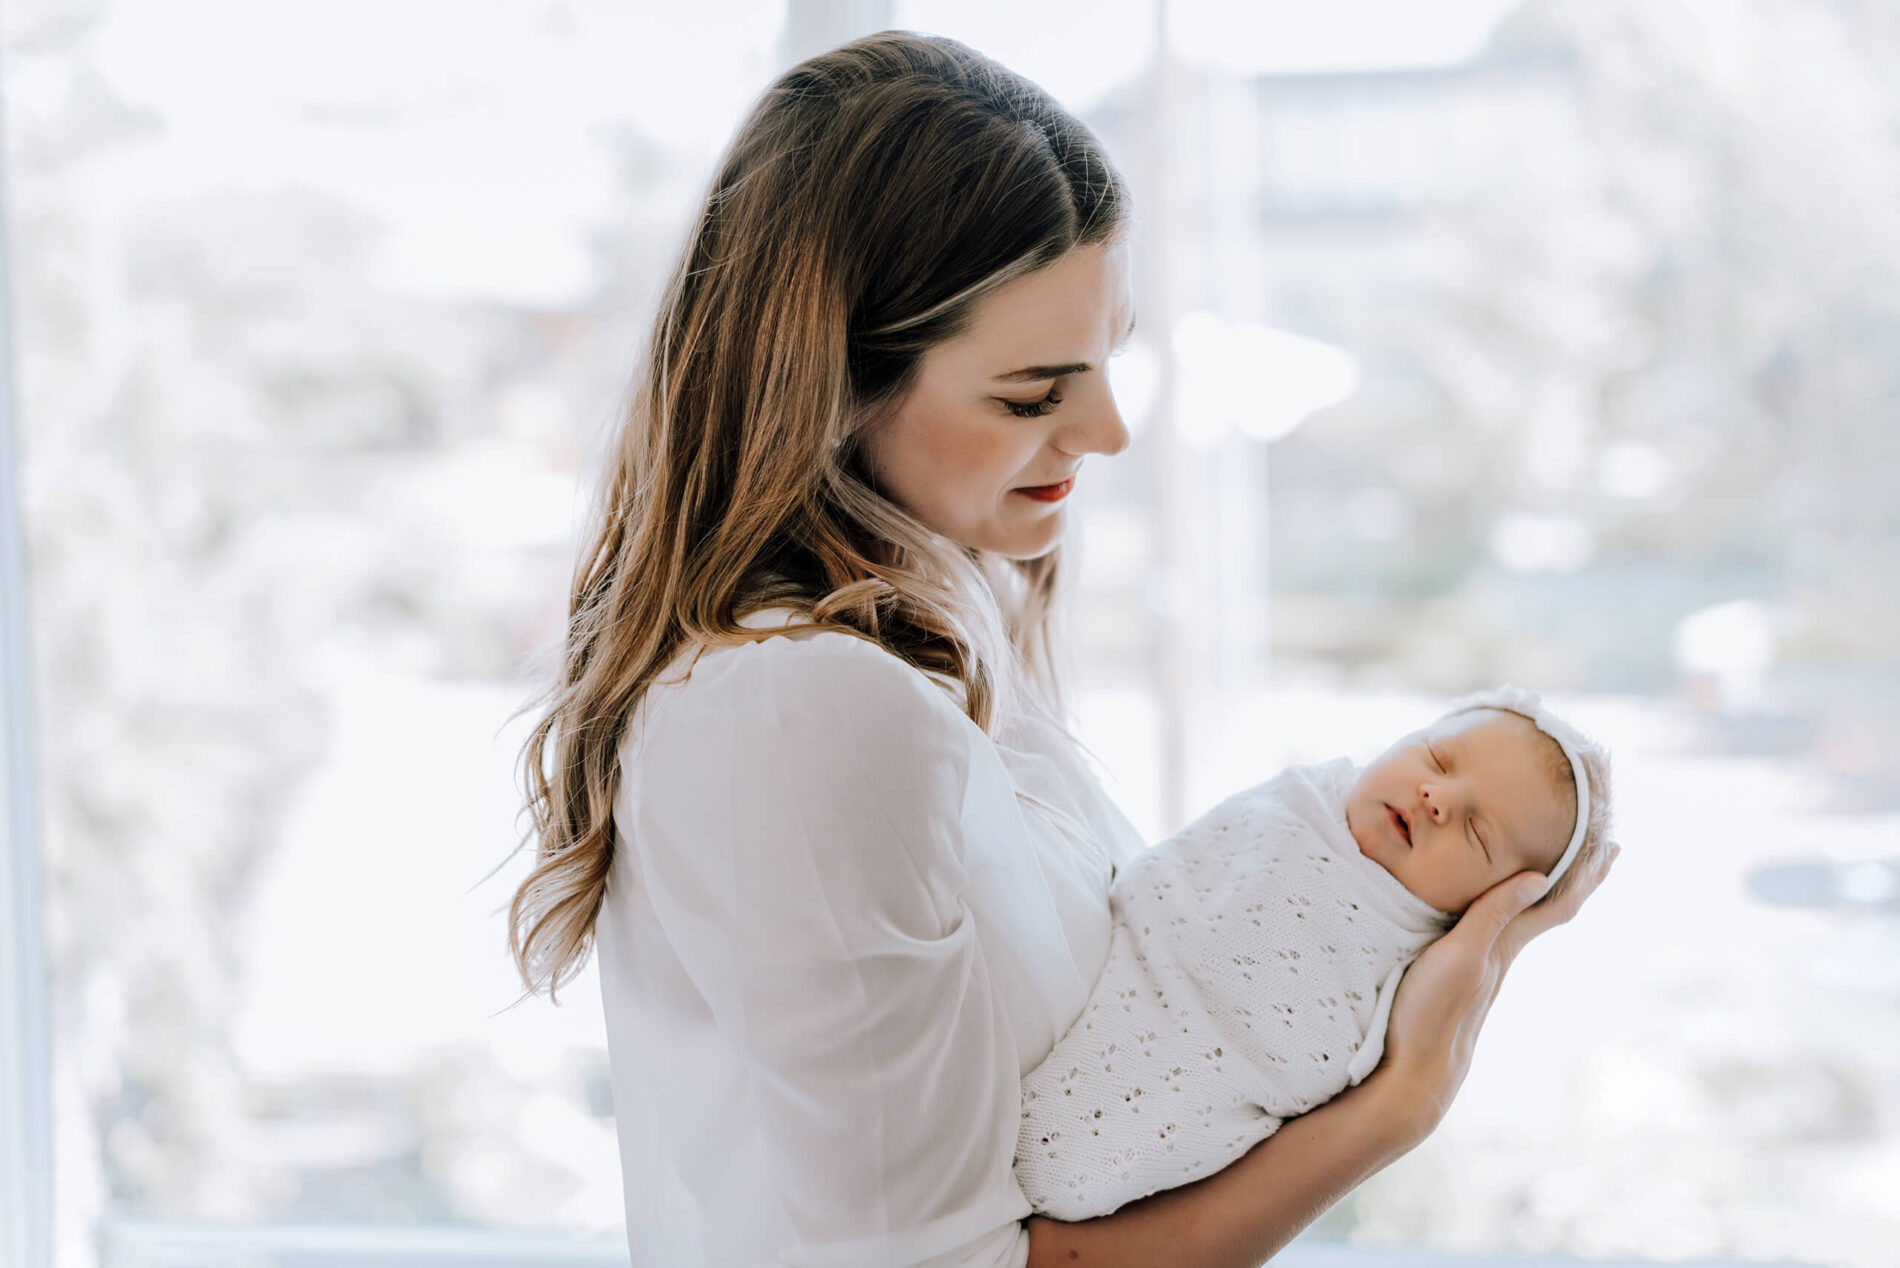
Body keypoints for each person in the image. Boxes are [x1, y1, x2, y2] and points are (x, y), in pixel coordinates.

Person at [506, 30, 1620, 1268]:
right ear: (834, 385)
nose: (1107, 429)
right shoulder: (807, 710)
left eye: (1106, 361)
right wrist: (1399, 1101)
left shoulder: (934, 620)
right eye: (1032, 394)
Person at [1015, 689, 1615, 1221]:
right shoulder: (1303, 797)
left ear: (1490, 903)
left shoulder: (1420, 961)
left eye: (1477, 834)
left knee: (1069, 1152)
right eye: (1437, 757)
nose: (1438, 797)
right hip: (1099, 967)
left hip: (1183, 1096)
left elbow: (1360, 1080)